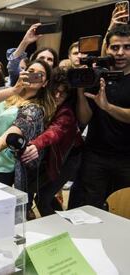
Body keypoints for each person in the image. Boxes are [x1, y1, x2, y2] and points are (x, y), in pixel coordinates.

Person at [0, 60, 55, 187]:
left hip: (1, 165)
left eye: (40, 75)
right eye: (31, 72)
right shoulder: (6, 91)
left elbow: (16, 129)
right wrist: (15, 89)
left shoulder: (36, 108)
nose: (34, 76)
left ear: (45, 83)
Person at [75, 24, 130, 209]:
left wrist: (107, 107)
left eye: (127, 47)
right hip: (95, 155)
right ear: (106, 48)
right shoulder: (96, 76)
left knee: (122, 207)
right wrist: (81, 88)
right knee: (91, 207)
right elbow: (83, 119)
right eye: (115, 47)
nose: (120, 52)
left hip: (126, 158)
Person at [20, 68, 83, 216]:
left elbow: (54, 132)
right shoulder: (41, 102)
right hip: (50, 156)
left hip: (69, 159)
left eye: (63, 92)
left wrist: (36, 144)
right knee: (38, 195)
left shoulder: (66, 112)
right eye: (55, 90)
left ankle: (60, 229)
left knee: (43, 198)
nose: (57, 95)